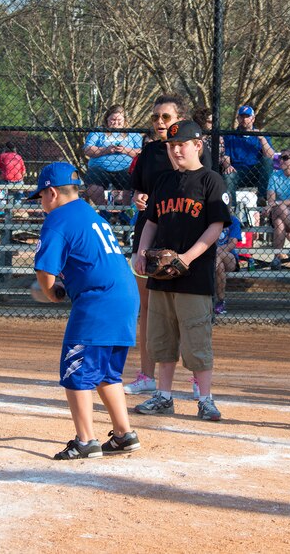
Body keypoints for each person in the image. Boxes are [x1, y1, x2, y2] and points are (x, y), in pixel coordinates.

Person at [30, 162, 141, 460]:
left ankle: (86, 440)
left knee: (76, 370)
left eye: (41, 196)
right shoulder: (91, 214)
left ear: (52, 192)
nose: (41, 203)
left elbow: (44, 270)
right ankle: (123, 435)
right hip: (126, 296)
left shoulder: (58, 218)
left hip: (99, 302)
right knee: (106, 372)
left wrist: (51, 293)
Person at [133, 120, 231, 422]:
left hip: (194, 277)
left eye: (182, 145)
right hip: (161, 276)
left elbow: (215, 226)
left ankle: (205, 399)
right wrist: (140, 252)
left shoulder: (210, 181)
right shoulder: (163, 181)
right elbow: (151, 222)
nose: (176, 150)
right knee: (162, 340)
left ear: (197, 145)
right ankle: (163, 396)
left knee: (196, 339)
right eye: (172, 146)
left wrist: (188, 257)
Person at [124, 93, 211, 396]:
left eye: (166, 117)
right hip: (150, 234)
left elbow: (204, 190)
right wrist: (138, 198)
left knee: (187, 312)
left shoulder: (196, 149)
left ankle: (196, 378)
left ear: (181, 120)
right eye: (155, 117)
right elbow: (138, 192)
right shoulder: (148, 153)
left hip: (183, 238)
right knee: (149, 309)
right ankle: (147, 375)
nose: (159, 123)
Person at [82, 105, 142, 207]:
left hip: (125, 168)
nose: (116, 122)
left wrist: (126, 151)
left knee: (129, 180)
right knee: (93, 181)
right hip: (100, 168)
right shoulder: (98, 132)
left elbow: (142, 152)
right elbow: (87, 149)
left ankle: (124, 212)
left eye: (119, 120)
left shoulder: (133, 134)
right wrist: (106, 150)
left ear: (125, 120)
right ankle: (104, 210)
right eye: (112, 119)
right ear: (107, 119)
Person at [221, 105, 274, 202]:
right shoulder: (230, 136)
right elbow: (225, 156)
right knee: (228, 175)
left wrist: (262, 139)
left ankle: (262, 198)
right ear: (238, 118)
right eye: (242, 116)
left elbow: (270, 156)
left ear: (253, 119)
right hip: (238, 172)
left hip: (256, 173)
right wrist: (227, 165)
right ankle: (231, 209)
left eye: (247, 116)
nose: (244, 119)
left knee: (267, 161)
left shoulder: (262, 136)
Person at [214, 214, 242, 314]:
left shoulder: (233, 220)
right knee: (219, 266)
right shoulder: (211, 219)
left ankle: (209, 297)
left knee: (218, 257)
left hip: (230, 258)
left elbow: (232, 244)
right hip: (216, 259)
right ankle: (221, 301)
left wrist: (216, 251)